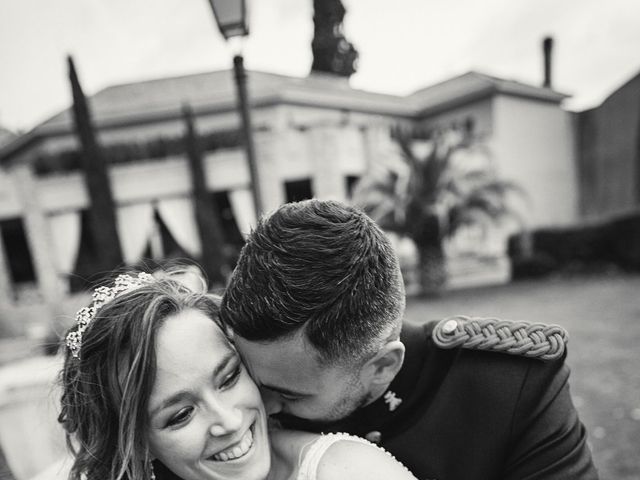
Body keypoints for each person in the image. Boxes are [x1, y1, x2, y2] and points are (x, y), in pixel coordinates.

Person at [220, 199, 599, 480]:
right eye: (245, 375)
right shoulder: (224, 403)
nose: (258, 405)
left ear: (383, 366)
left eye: (288, 394)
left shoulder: (515, 387)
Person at [56, 270, 417, 480]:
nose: (228, 421)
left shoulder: (346, 472)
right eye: (181, 415)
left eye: (228, 379)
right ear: (138, 444)